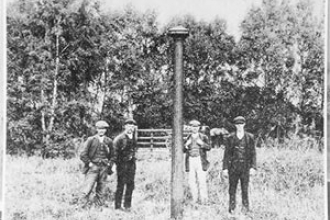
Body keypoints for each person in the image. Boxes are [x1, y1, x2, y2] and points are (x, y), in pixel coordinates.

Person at [222, 116, 257, 215]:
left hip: (245, 168)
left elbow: (253, 153)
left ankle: (246, 209)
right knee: (232, 189)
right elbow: (227, 154)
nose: (239, 126)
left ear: (244, 124)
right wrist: (224, 168)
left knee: (245, 189)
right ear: (235, 125)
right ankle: (232, 209)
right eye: (237, 124)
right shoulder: (230, 137)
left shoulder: (249, 137)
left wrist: (253, 167)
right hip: (233, 168)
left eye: (241, 124)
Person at [79, 120, 115, 207]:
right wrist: (89, 163)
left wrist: (109, 164)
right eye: (99, 129)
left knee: (102, 188)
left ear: (106, 130)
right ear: (96, 129)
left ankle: (99, 207)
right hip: (93, 167)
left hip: (104, 168)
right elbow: (83, 154)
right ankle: (82, 206)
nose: (101, 131)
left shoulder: (109, 141)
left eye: (103, 129)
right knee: (88, 187)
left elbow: (113, 155)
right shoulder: (91, 140)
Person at [183, 119, 211, 204]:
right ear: (190, 128)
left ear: (199, 128)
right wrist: (186, 145)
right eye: (193, 127)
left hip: (200, 160)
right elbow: (183, 150)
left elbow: (209, 147)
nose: (195, 128)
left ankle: (204, 200)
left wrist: (201, 143)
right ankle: (194, 200)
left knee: (201, 180)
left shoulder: (203, 137)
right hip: (190, 160)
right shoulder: (187, 137)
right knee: (191, 181)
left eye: (196, 127)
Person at [113, 118, 137, 210]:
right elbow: (114, 153)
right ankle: (118, 206)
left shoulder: (134, 137)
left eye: (132, 126)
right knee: (121, 185)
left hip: (131, 165)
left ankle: (127, 205)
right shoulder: (119, 139)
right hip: (122, 165)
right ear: (125, 127)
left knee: (130, 185)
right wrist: (116, 165)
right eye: (129, 126)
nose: (131, 128)